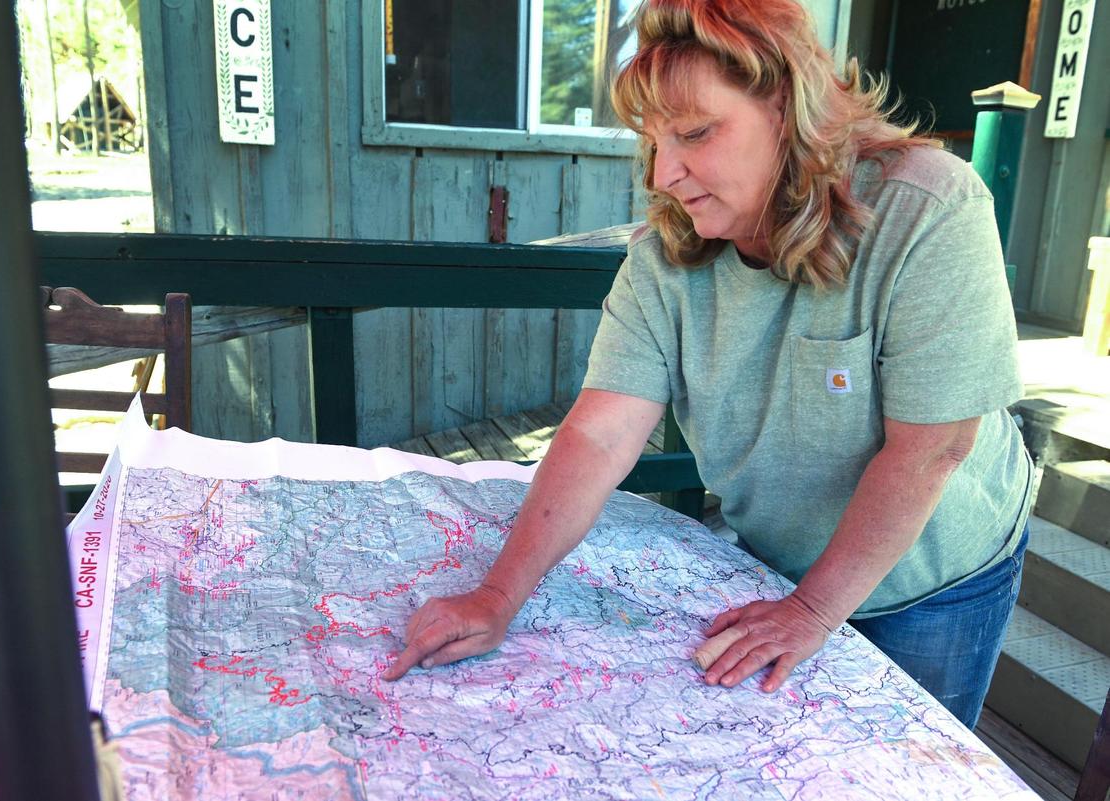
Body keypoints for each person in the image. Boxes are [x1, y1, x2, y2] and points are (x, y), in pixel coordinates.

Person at [383, 0, 1033, 730]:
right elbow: (600, 434)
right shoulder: (663, 258)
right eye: (654, 142)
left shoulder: (929, 207)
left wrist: (814, 609)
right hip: (777, 560)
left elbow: (933, 446)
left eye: (694, 133)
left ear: (789, 109)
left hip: (936, 581)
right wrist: (498, 594)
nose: (664, 175)